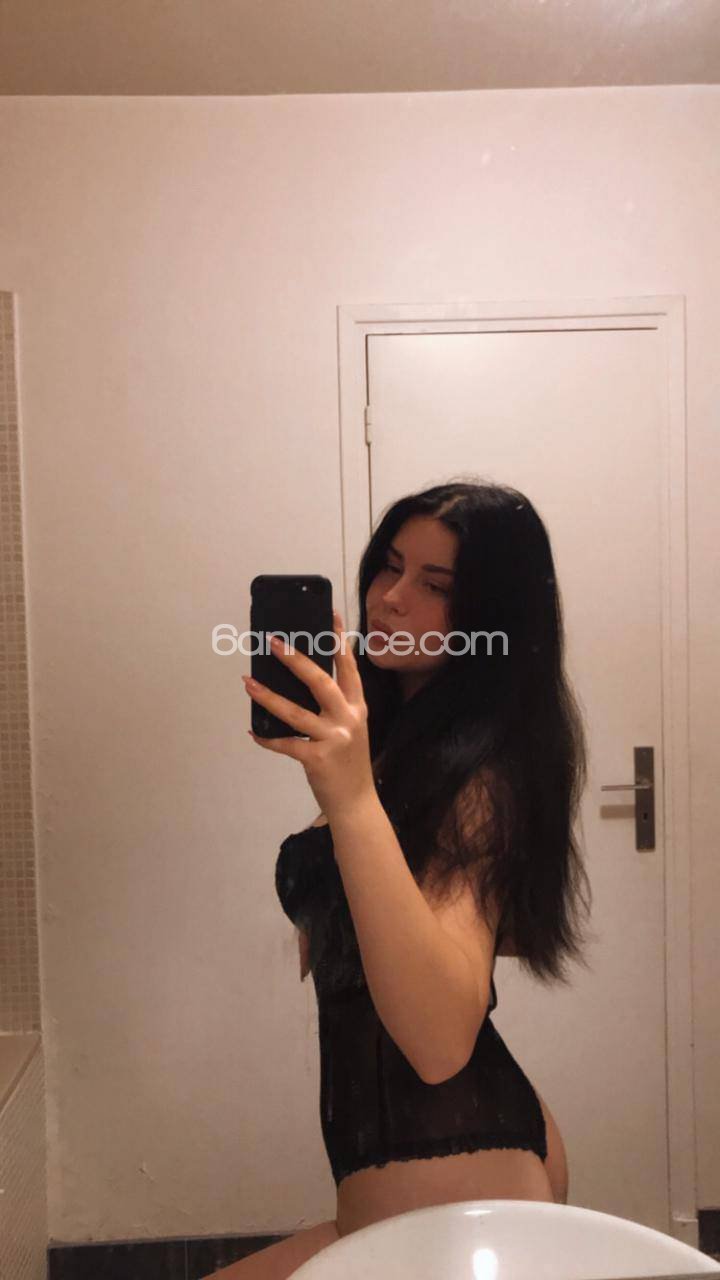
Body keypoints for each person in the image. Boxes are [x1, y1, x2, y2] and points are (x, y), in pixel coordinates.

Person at [210, 479, 593, 1279]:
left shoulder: (485, 778)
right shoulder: (408, 743)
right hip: (437, 1159)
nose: (389, 597)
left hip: (450, 1163)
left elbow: (440, 1043)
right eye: (389, 566)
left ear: (491, 620)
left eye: (436, 585)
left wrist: (350, 801)